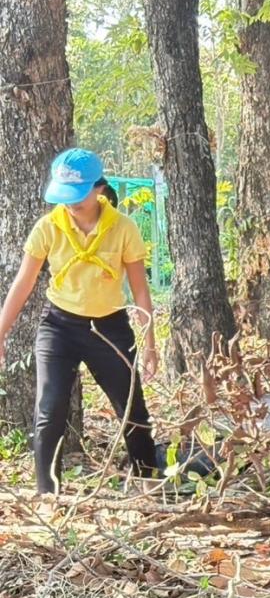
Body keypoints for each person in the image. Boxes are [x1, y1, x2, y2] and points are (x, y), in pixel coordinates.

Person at [0, 148, 159, 493]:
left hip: (110, 327)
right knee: (50, 407)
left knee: (132, 408)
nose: (71, 203)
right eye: (65, 196)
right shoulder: (48, 227)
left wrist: (150, 344)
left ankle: (149, 483)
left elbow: (139, 289)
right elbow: (23, 282)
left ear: (98, 188)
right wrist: (0, 332)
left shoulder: (123, 227)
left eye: (79, 195)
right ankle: (47, 493)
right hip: (59, 326)